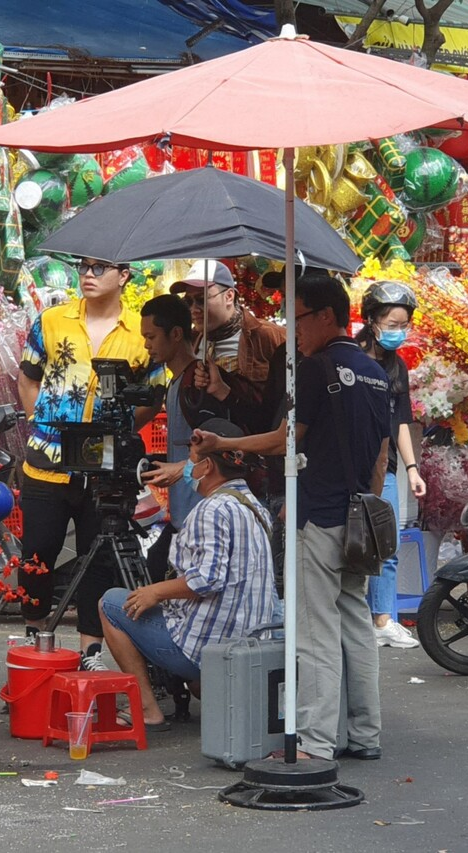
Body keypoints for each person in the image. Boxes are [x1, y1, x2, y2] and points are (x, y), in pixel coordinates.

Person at [194, 273, 390, 761]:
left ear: (326, 316)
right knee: (355, 624)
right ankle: (366, 734)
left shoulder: (312, 368)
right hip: (359, 516)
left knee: (315, 632)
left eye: (297, 317)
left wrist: (224, 443)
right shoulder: (374, 372)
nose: (293, 329)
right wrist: (365, 505)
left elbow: (285, 438)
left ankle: (315, 742)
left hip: (319, 515)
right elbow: (382, 455)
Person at [17, 258, 153, 671]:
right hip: (47, 460)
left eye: (99, 268)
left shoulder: (140, 332)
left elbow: (152, 395)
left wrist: (122, 431)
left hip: (104, 461)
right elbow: (28, 377)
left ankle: (91, 651)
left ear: (124, 275)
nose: (88, 275)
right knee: (38, 553)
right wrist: (38, 423)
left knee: (98, 558)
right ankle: (35, 637)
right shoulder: (52, 320)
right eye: (83, 267)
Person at [99, 418, 279, 729]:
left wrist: (155, 591)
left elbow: (207, 580)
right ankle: (211, 690)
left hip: (207, 649)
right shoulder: (256, 508)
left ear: (207, 467)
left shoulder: (211, 510)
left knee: (112, 603)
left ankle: (146, 709)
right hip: (251, 644)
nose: (187, 467)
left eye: (193, 460)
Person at [354, 281, 426, 650]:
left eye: (403, 325)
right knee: (352, 545)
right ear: (371, 320)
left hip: (388, 467)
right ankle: (356, 620)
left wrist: (413, 469)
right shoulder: (352, 359)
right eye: (392, 323)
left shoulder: (397, 367)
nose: (398, 332)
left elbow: (401, 420)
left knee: (387, 543)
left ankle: (383, 619)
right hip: (352, 464)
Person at [171, 259, 286, 435]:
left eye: (201, 300)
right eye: (188, 302)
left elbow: (278, 410)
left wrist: (224, 389)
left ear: (229, 296)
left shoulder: (269, 337)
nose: (194, 309)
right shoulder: (191, 340)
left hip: (253, 447)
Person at [137, 295, 202, 579]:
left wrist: (182, 468)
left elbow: (218, 449)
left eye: (151, 336)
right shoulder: (175, 383)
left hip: (199, 516)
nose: (146, 345)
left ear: (176, 334)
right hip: (182, 516)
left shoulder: (198, 384)